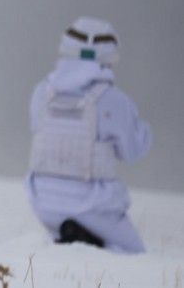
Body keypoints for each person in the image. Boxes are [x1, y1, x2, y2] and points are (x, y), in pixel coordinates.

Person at [25, 17, 152, 253]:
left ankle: (75, 241)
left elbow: (39, 129)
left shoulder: (42, 92)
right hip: (93, 202)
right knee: (134, 256)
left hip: (43, 200)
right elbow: (133, 151)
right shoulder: (112, 100)